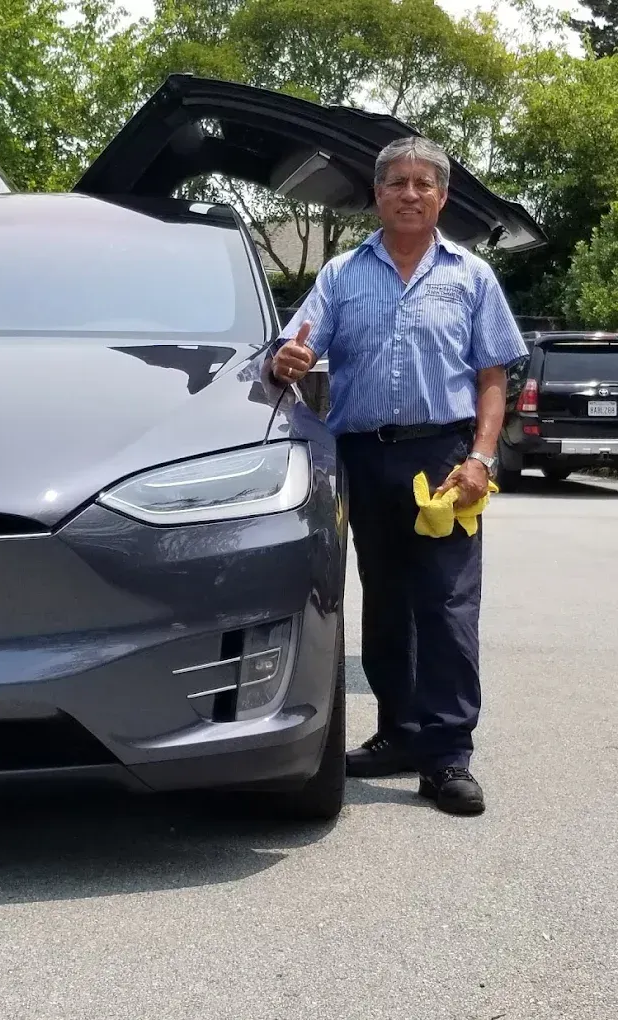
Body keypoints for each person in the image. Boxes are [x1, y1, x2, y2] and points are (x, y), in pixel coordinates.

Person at [270, 136, 525, 816]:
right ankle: (399, 733)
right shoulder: (341, 275)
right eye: (396, 183)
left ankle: (447, 756)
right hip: (364, 456)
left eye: (423, 183)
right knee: (383, 601)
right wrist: (285, 361)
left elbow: (492, 376)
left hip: (445, 458)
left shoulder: (471, 276)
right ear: (377, 195)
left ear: (442, 197)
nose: (409, 194)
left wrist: (481, 456)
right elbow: (294, 349)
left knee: (444, 606)